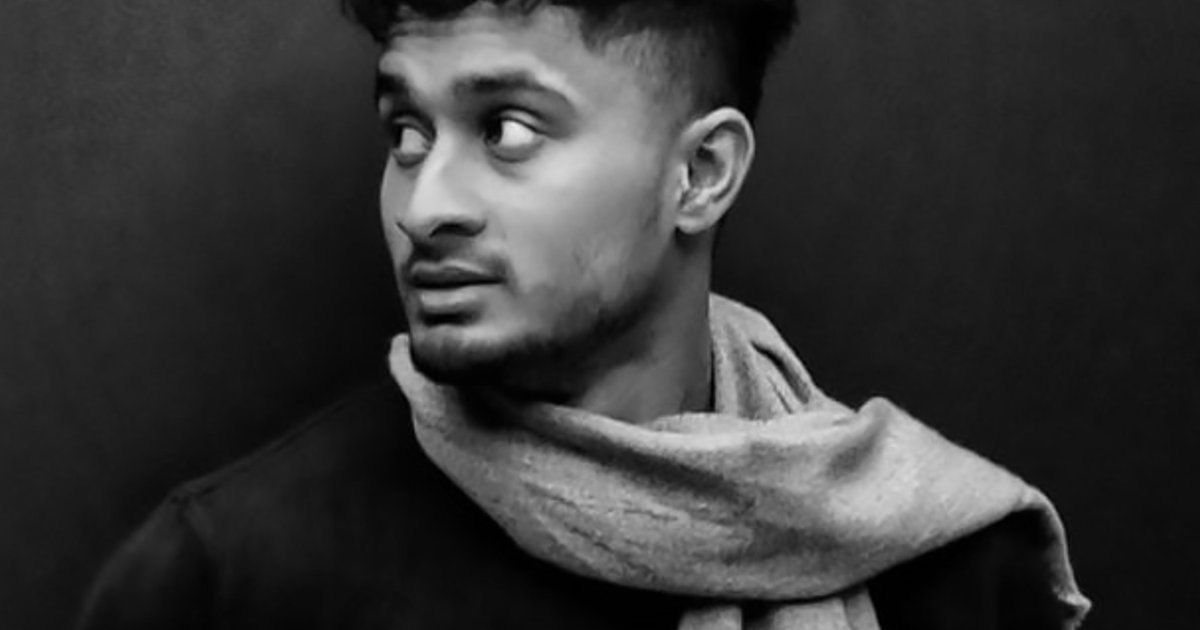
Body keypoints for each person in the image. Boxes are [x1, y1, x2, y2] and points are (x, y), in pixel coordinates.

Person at [77, 1, 1091, 628]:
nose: (424, 205)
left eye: (508, 131)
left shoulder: (949, 573)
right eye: (407, 132)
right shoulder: (230, 582)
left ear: (701, 174)